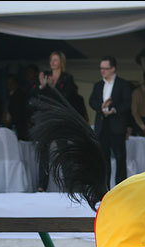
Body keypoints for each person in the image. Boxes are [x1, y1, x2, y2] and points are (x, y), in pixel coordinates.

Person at [36, 51, 82, 191]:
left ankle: (69, 184)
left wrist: (51, 87)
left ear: (61, 62)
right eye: (51, 60)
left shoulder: (67, 78)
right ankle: (41, 185)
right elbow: (37, 98)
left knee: (63, 150)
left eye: (55, 60)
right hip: (47, 119)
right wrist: (42, 87)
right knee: (44, 150)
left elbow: (66, 98)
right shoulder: (45, 76)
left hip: (61, 119)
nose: (52, 63)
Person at [89, 55, 132, 187]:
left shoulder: (122, 84)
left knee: (120, 158)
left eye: (106, 69)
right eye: (101, 68)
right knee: (103, 159)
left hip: (116, 126)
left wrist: (114, 109)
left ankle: (121, 188)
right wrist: (101, 107)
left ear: (113, 69)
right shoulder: (98, 85)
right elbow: (92, 101)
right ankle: (104, 189)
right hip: (102, 125)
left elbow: (127, 104)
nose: (103, 71)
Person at [4, 74, 29, 140]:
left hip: (18, 126)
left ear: (16, 83)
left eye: (11, 83)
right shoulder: (10, 94)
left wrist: (11, 121)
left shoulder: (20, 94)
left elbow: (18, 112)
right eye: (8, 83)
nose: (9, 85)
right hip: (12, 126)